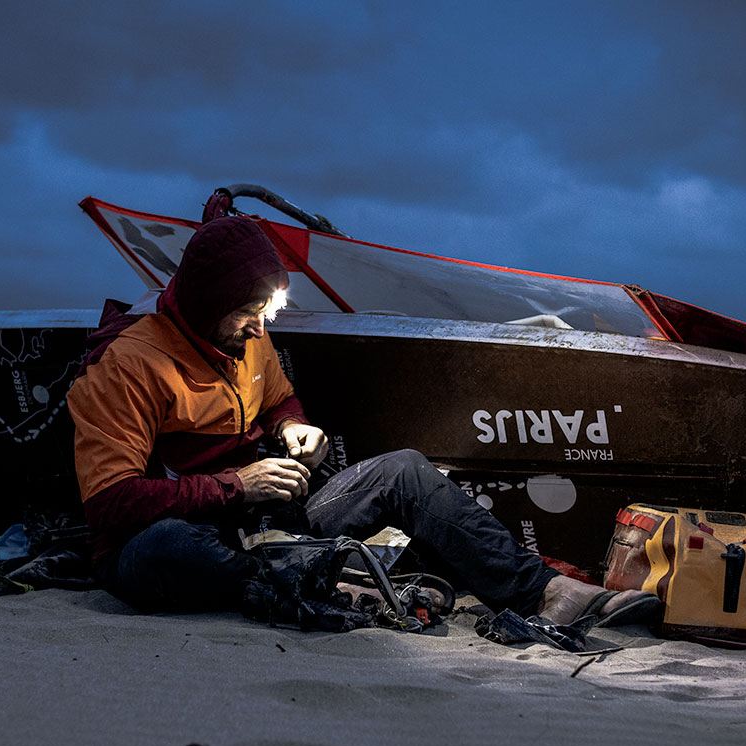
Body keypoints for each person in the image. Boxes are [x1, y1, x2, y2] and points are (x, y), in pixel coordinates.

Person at [67, 215, 660, 629]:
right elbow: (109, 506)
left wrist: (291, 427)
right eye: (248, 313)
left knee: (404, 470)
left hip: (264, 526)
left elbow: (277, 400)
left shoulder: (248, 340)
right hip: (169, 537)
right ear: (206, 304)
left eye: (265, 311)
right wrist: (235, 486)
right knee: (168, 549)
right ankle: (328, 580)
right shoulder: (126, 366)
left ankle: (547, 591)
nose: (259, 328)